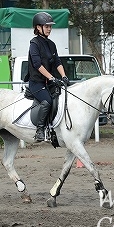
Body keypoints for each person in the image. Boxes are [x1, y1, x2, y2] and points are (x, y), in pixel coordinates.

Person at [27, 12, 69, 142]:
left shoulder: (51, 44)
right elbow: (37, 65)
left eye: (50, 26)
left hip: (49, 83)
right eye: (47, 26)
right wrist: (51, 77)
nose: (49, 29)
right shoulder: (34, 44)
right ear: (38, 27)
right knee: (47, 102)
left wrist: (64, 76)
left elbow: (57, 62)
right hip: (37, 83)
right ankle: (40, 130)